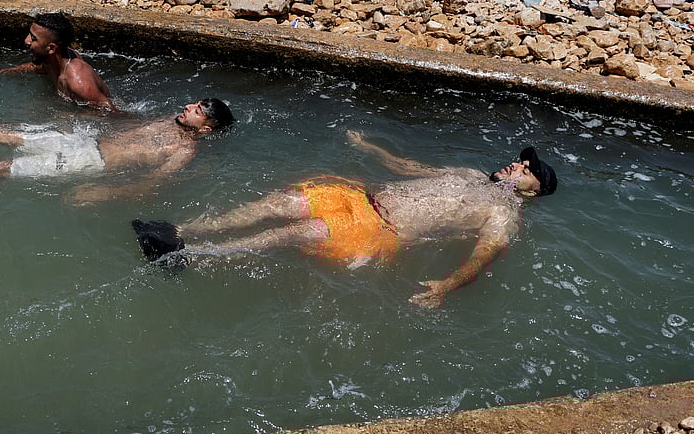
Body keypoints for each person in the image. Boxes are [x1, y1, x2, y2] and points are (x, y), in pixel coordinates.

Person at [132, 131, 557, 307]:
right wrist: (371, 149)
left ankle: (192, 256)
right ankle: (177, 231)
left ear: (533, 190)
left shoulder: (502, 213)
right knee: (274, 204)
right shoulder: (468, 174)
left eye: (525, 170)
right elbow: (408, 167)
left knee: (290, 232)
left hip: (376, 229)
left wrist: (446, 285)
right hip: (359, 197)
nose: (514, 166)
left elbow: (487, 254)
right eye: (518, 162)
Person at [0, 98, 235, 203]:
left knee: (1, 166)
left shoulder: (184, 152)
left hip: (88, 160)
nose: (189, 107)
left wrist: (107, 193)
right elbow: (121, 123)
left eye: (197, 111)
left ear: (206, 128)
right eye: (195, 103)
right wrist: (71, 118)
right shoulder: (167, 119)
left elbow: (154, 183)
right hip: (82, 141)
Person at [0, 12, 116, 111]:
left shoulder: (78, 82)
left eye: (33, 38)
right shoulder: (52, 60)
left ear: (51, 48)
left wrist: (67, 117)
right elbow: (34, 67)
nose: (26, 41)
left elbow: (112, 113)